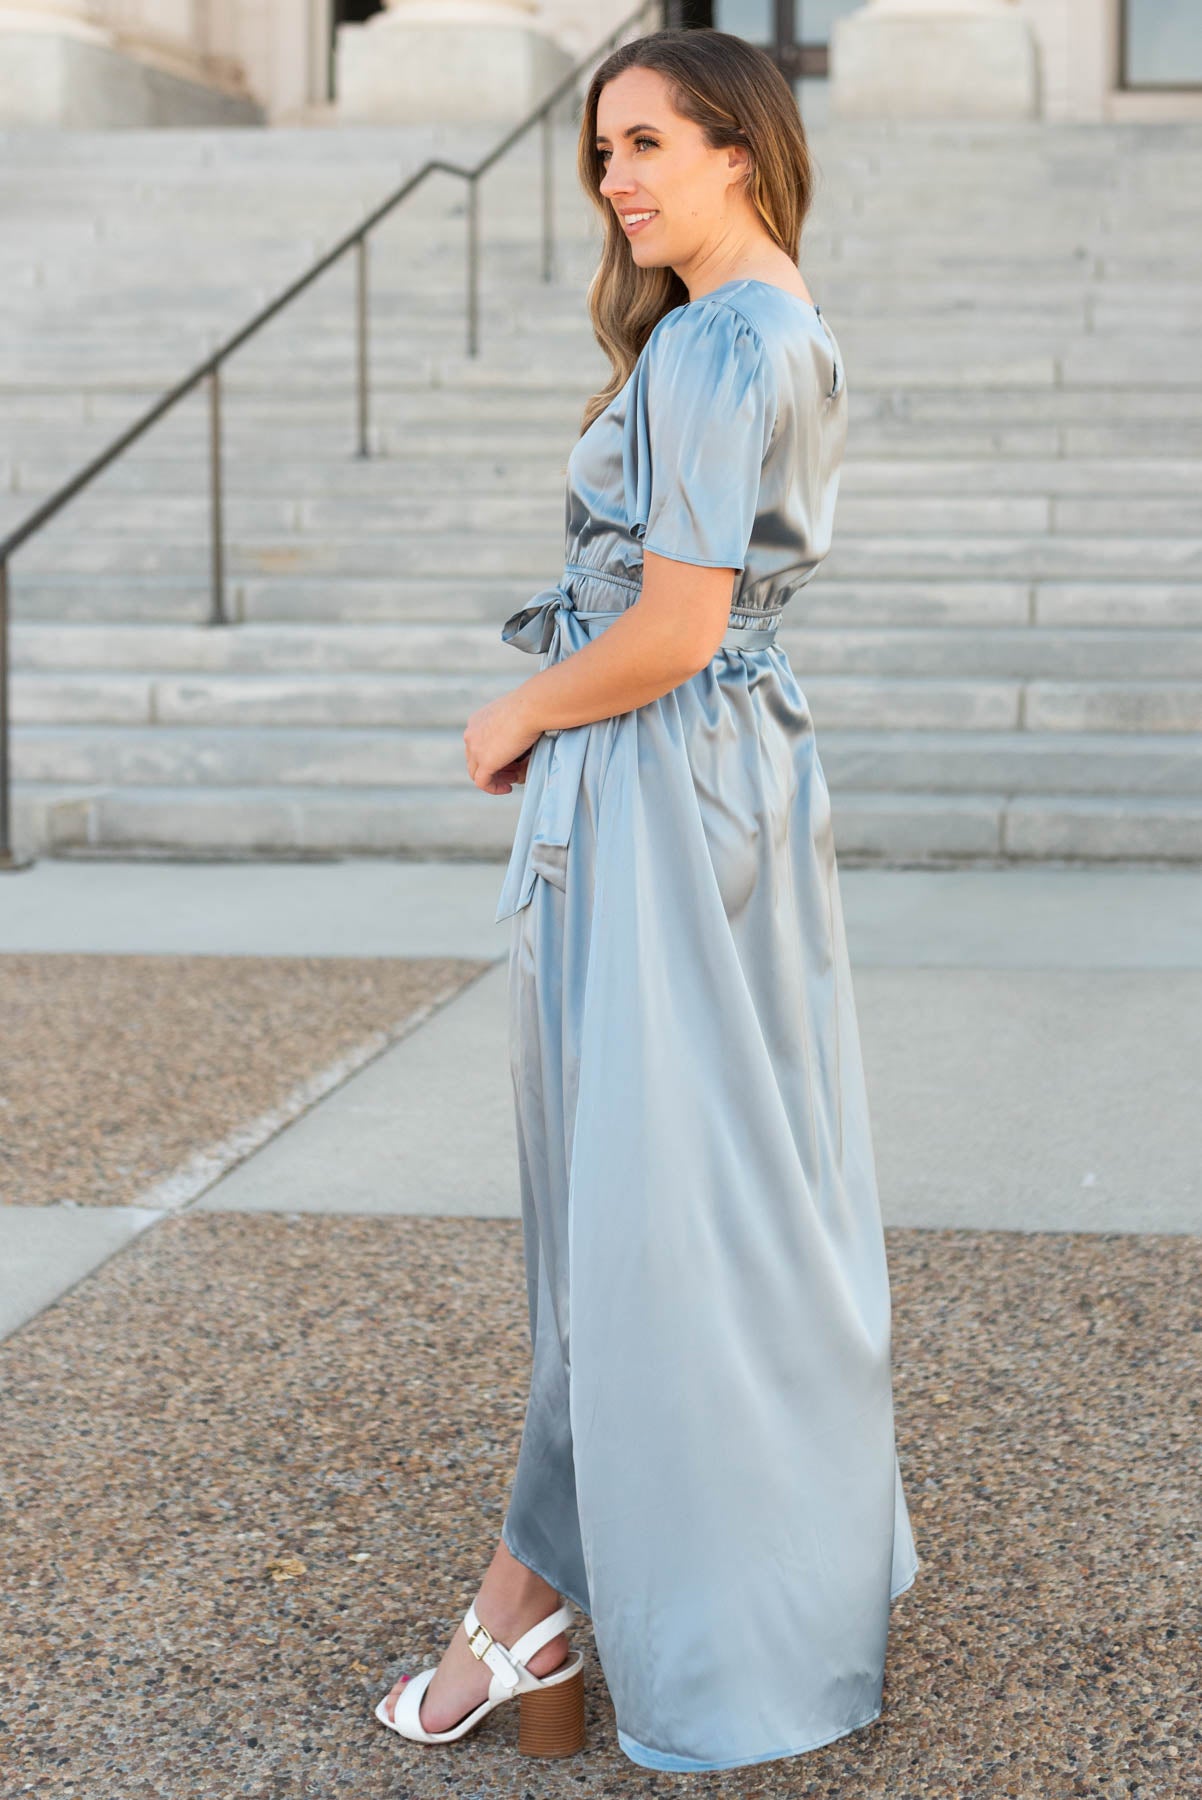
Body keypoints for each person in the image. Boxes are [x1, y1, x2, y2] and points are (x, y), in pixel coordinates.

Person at [375, 25, 919, 1773]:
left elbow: (676, 624)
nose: (612, 180)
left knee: (646, 1212)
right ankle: (656, 1586)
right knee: (722, 1198)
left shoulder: (714, 339)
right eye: (599, 152)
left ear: (738, 152)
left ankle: (525, 1601)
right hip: (727, 773)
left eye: (643, 144)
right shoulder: (787, 326)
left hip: (661, 781)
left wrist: (521, 705)